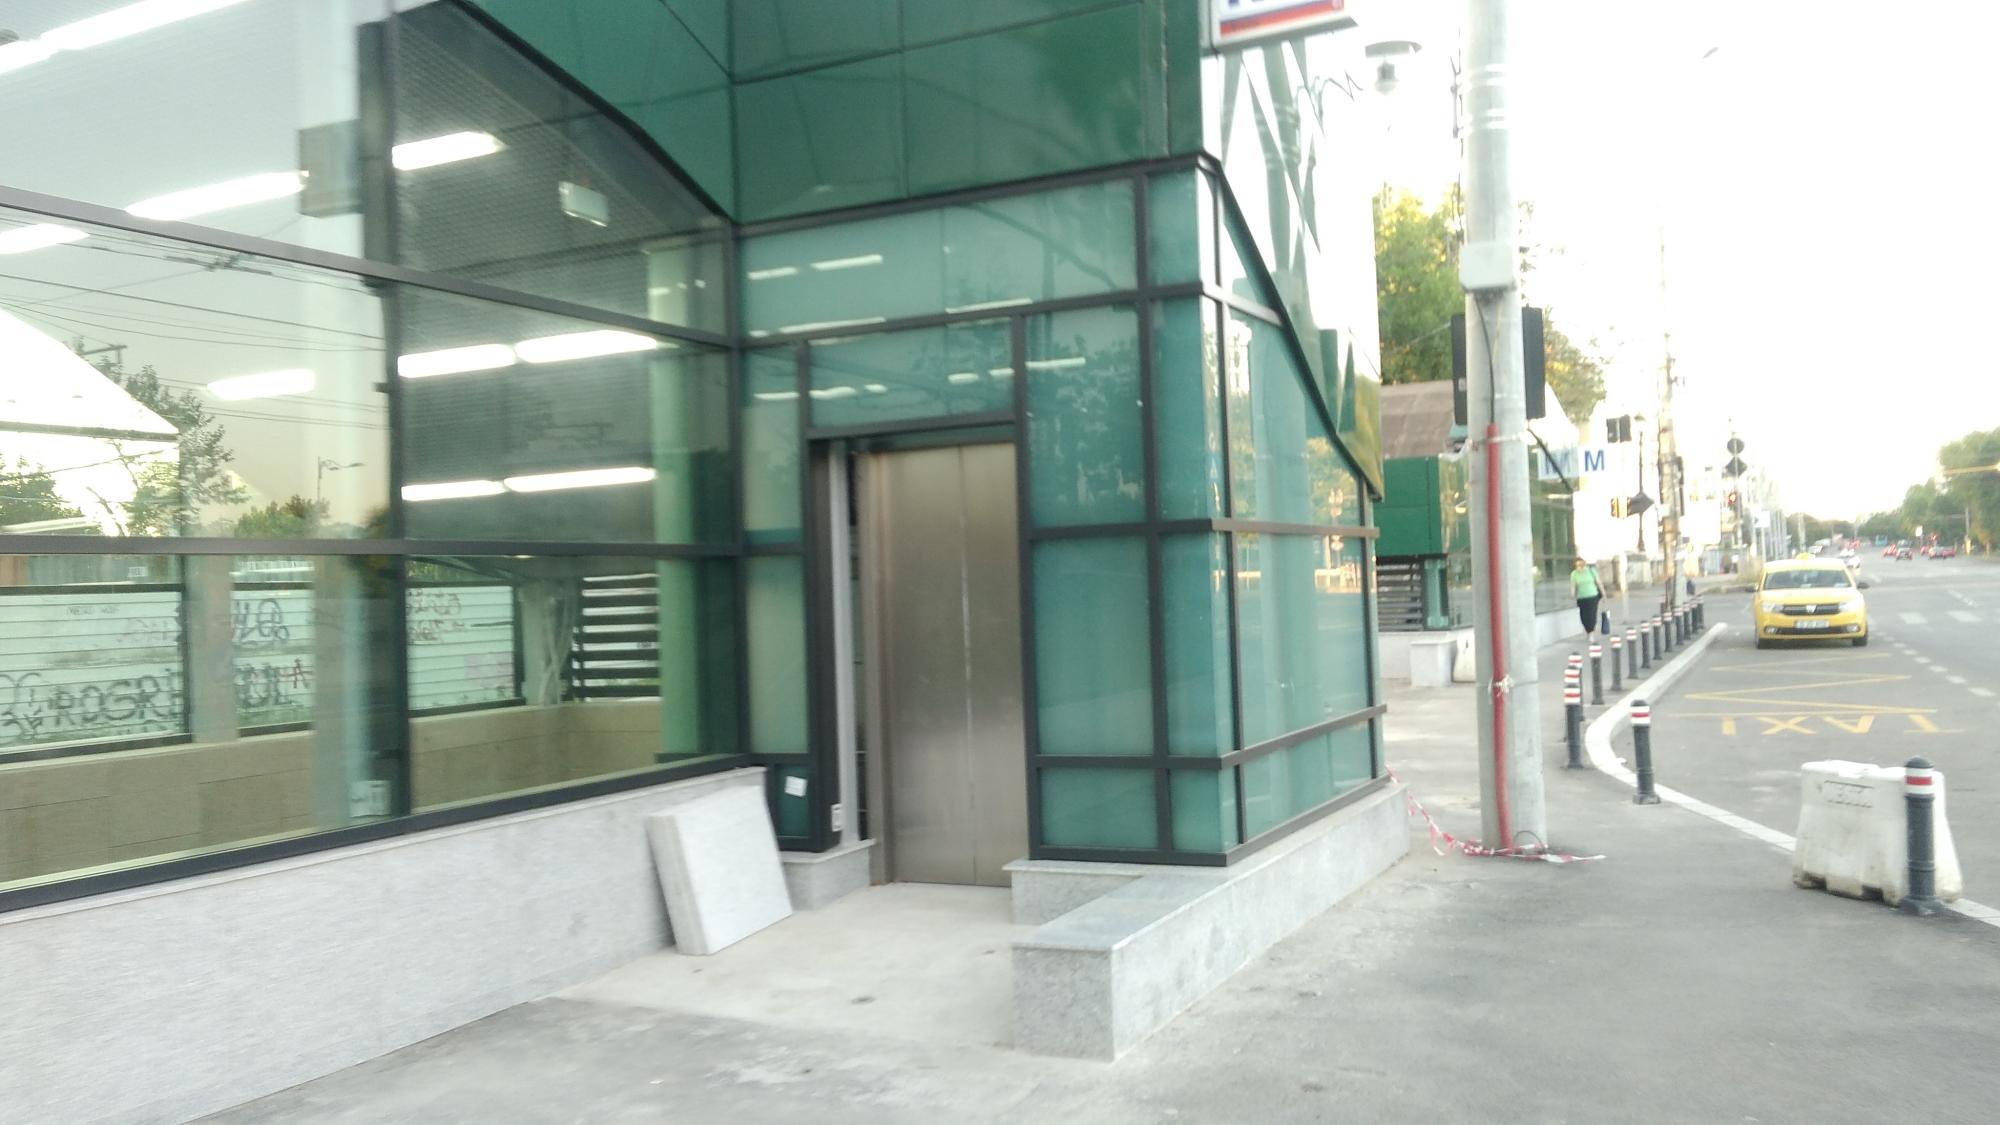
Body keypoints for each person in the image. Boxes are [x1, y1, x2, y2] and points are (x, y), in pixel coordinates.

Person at [1570, 557, 1603, 636]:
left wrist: (1603, 594)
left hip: (1593, 596)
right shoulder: (1574, 574)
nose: (1579, 567)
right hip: (1581, 598)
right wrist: (1572, 594)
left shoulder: (1591, 571)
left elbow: (1599, 583)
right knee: (1583, 617)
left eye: (1581, 565)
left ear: (1584, 564)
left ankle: (1591, 633)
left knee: (1591, 615)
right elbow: (1573, 585)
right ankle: (1588, 631)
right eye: (1577, 566)